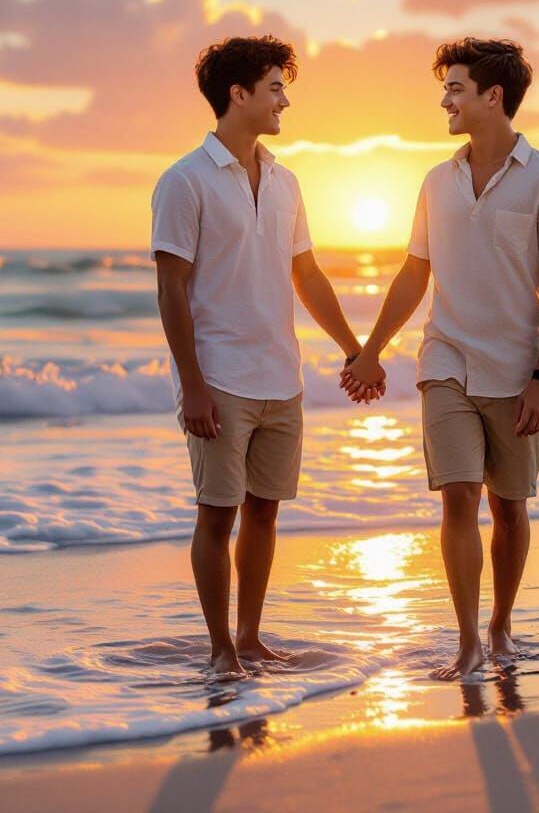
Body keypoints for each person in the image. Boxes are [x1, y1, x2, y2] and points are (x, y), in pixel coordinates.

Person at [342, 38, 539, 679]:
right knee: (457, 498)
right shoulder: (435, 182)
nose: (444, 99)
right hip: (444, 360)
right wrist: (369, 351)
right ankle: (468, 640)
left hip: (516, 369)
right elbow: (413, 274)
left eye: (454, 88)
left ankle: (502, 624)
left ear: (492, 96)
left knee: (509, 505)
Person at [152, 35, 379, 678]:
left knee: (264, 512)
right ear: (238, 93)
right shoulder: (184, 180)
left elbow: (306, 275)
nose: (285, 100)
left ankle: (251, 639)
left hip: (282, 375)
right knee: (216, 514)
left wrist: (355, 349)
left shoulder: (284, 182)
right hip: (218, 376)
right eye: (276, 87)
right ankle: (220, 650)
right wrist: (191, 384)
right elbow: (171, 287)